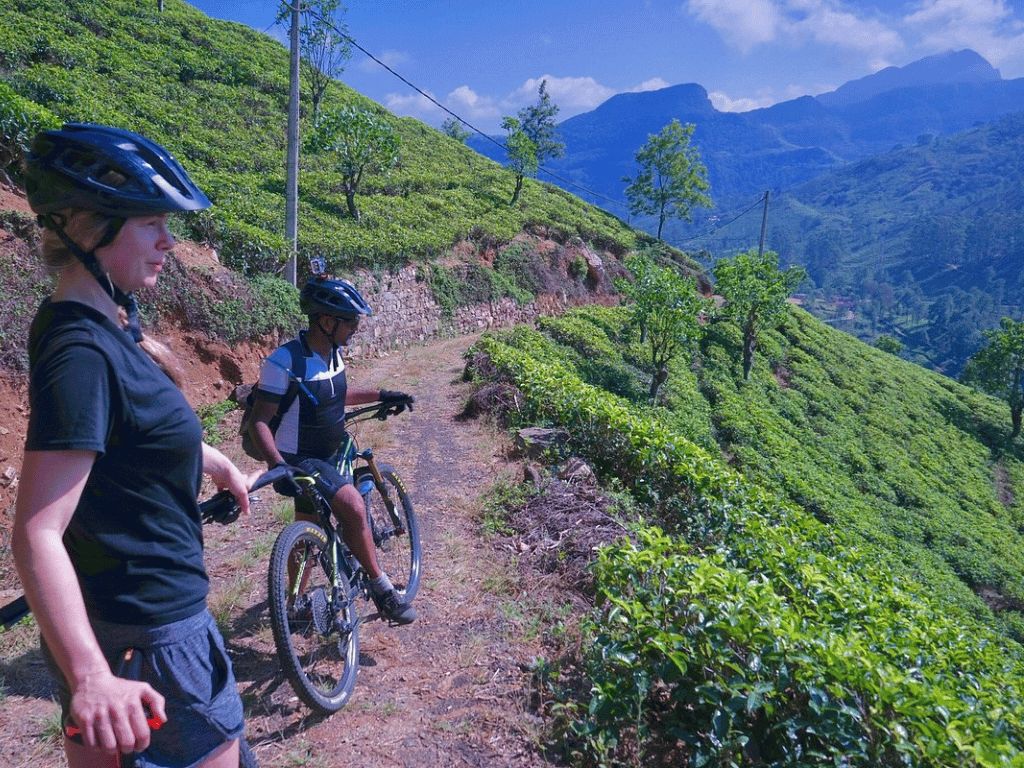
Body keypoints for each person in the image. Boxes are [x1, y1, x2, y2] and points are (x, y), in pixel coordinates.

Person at [11, 123, 259, 768]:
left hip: (130, 627)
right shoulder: (81, 350)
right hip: (152, 636)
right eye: (150, 222)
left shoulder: (105, 321)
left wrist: (208, 458)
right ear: (92, 229)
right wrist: (92, 677)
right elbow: (36, 532)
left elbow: (121, 438)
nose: (168, 242)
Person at [247, 276, 417, 625]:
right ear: (326, 321)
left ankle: (293, 605)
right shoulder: (284, 363)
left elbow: (338, 395)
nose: (355, 328)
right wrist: (277, 465)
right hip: (299, 460)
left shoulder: (332, 354)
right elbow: (259, 421)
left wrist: (383, 394)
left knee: (309, 524)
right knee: (353, 505)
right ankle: (383, 590)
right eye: (350, 321)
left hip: (330, 448)